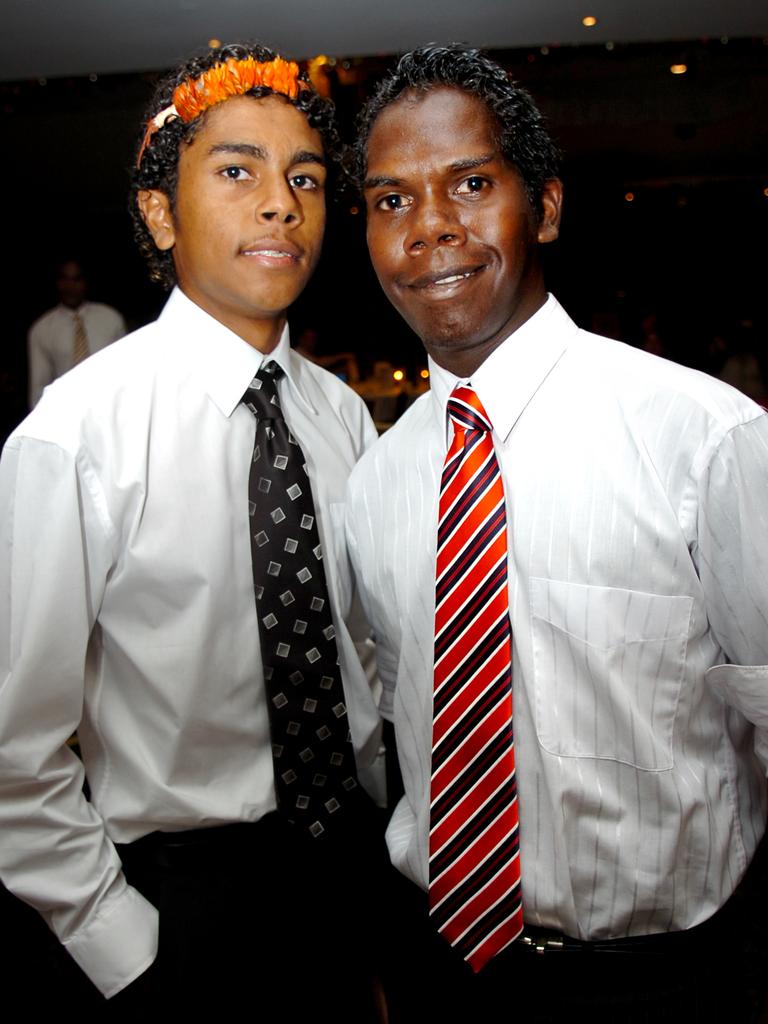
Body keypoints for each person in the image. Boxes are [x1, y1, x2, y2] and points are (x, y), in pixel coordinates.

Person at [345, 44, 768, 1022]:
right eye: (391, 200)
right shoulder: (376, 485)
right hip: (447, 975)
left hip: (663, 985)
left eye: (470, 184)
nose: (431, 229)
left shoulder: (704, 439)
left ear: (544, 207)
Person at [0, 41, 385, 1017]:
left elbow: (368, 653)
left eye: (304, 177)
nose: (279, 202)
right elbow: (15, 745)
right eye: (236, 171)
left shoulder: (339, 414)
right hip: (180, 899)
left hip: (346, 867)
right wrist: (123, 945)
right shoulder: (76, 434)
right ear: (161, 212)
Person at [27, 258, 126, 407]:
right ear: (57, 283)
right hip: (65, 412)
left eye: (76, 279)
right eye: (64, 279)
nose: (70, 286)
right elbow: (38, 389)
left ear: (86, 282)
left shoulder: (111, 319)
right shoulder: (42, 329)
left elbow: (125, 372)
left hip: (108, 407)